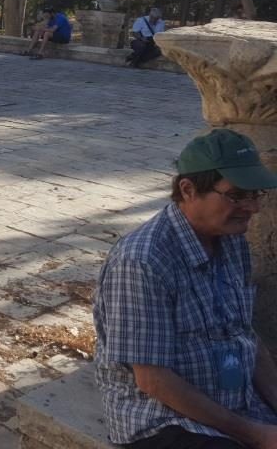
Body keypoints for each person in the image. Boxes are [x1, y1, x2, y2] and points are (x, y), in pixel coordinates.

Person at [95, 128, 277, 449]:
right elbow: (153, 380)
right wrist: (255, 434)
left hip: (234, 400)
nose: (253, 208)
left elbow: (246, 336)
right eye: (237, 195)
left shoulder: (232, 239)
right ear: (189, 189)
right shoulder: (142, 260)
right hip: (163, 417)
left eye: (255, 194)